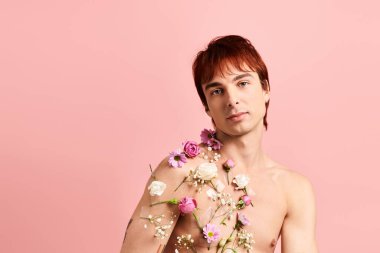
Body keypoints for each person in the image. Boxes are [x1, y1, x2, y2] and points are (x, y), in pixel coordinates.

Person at [120, 35, 318, 253]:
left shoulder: (292, 189)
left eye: (242, 83)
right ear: (206, 106)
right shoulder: (180, 172)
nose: (232, 99)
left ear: (265, 89)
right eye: (217, 91)